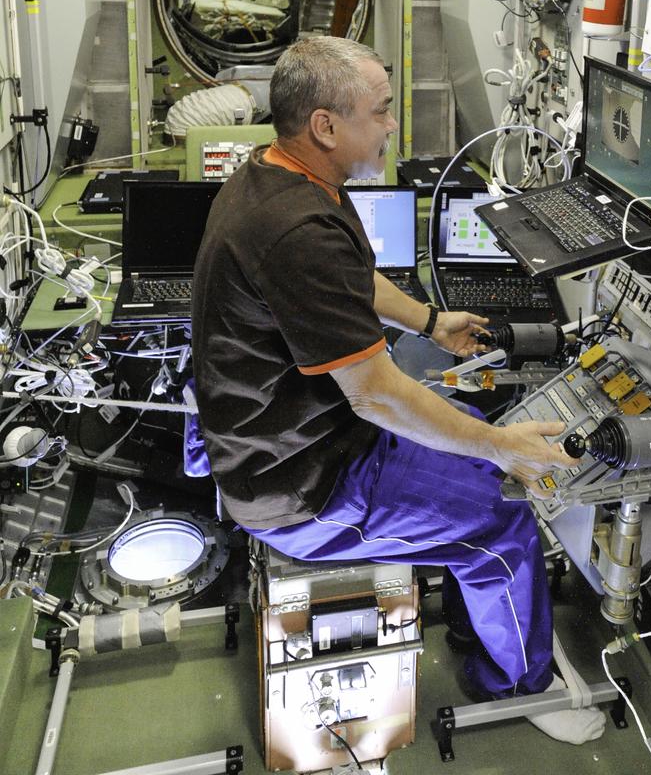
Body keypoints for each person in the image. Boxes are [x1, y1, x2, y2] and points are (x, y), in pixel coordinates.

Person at [192, 37, 606, 744]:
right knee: (504, 524)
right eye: (380, 111)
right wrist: (500, 446)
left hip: (309, 439)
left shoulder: (279, 176)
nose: (391, 125)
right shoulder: (294, 228)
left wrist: (430, 321)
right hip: (303, 485)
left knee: (469, 426)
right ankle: (517, 685)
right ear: (325, 125)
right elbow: (377, 396)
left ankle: (488, 615)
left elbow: (350, 280)